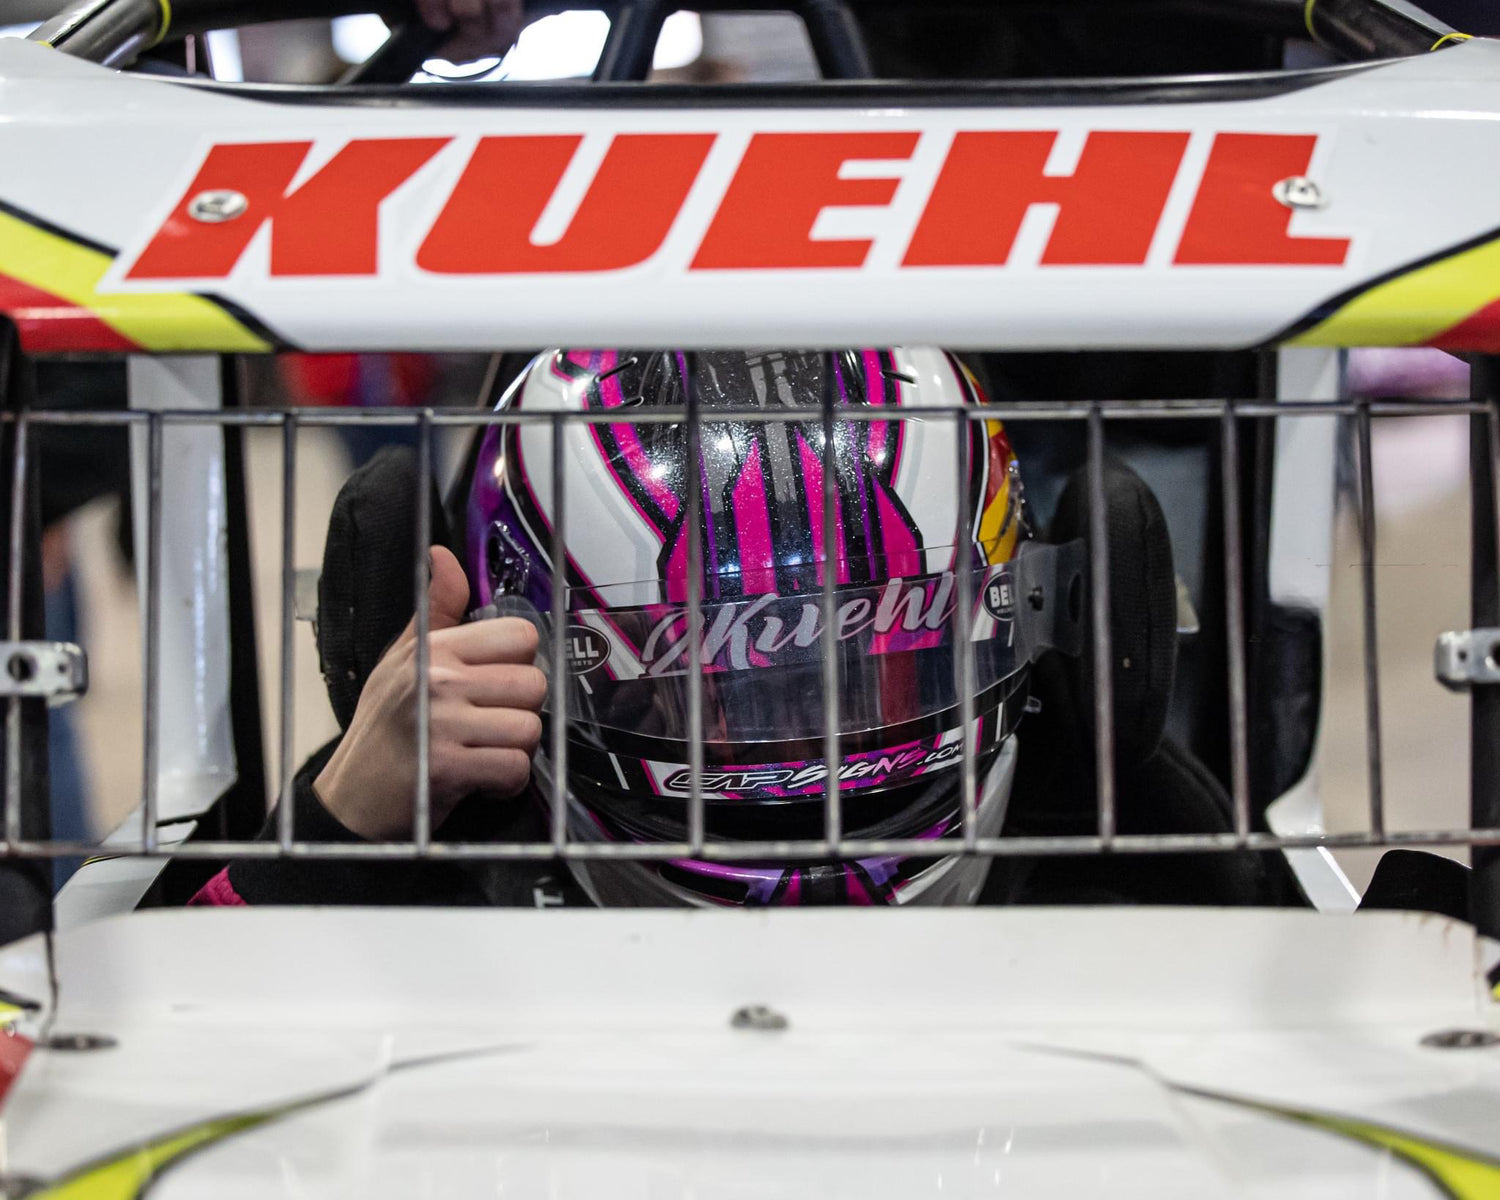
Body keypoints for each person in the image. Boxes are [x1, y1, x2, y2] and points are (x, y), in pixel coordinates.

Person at [191, 348, 1075, 907]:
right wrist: (342, 820)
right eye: (700, 684)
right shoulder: (446, 827)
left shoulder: (1086, 813)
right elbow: (177, 1016)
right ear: (505, 651)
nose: (795, 750)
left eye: (854, 671)